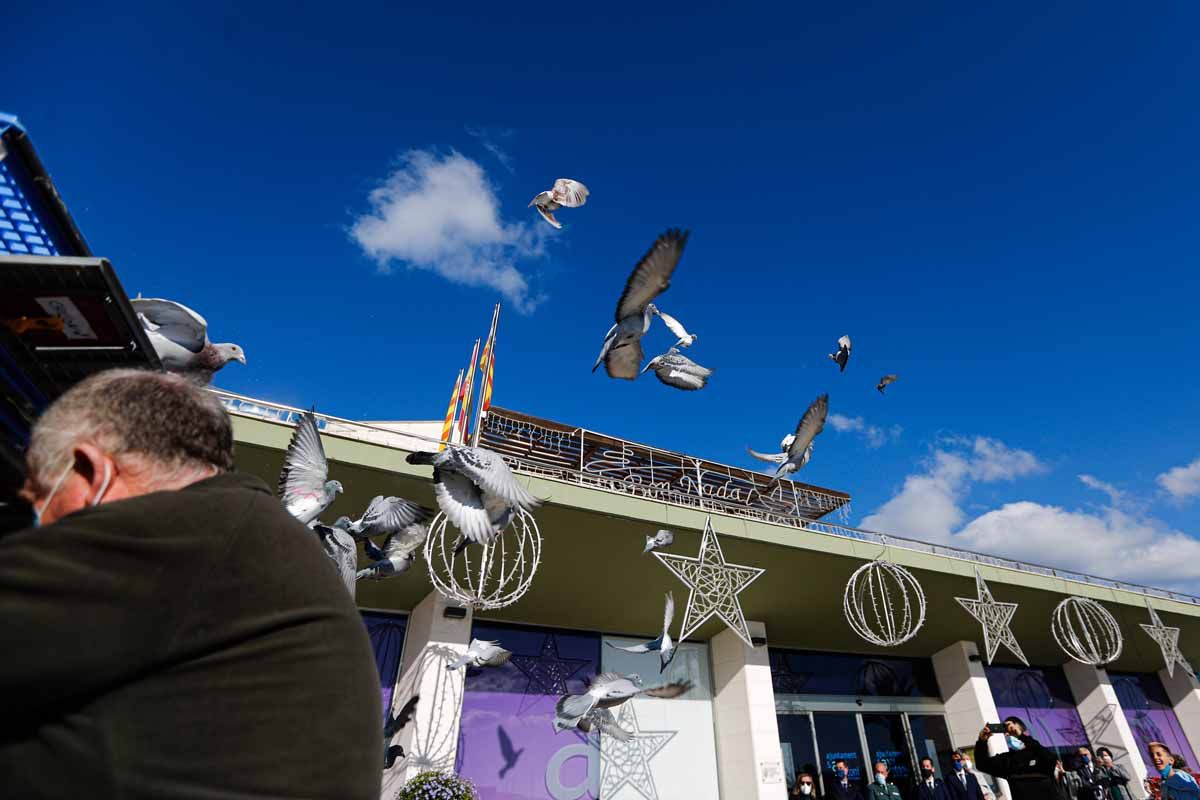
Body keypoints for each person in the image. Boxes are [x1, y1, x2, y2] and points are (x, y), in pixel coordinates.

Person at [0, 369, 384, 798]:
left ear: (94, 472)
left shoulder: (185, 535)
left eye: (40, 493)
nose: (38, 518)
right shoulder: (251, 540)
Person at [974, 716, 1058, 800]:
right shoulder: (1007, 760)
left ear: (1022, 729)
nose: (1008, 734)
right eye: (1006, 731)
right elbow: (982, 764)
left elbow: (1051, 759)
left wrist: (1021, 736)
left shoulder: (1039, 753)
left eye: (1011, 729)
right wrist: (982, 741)